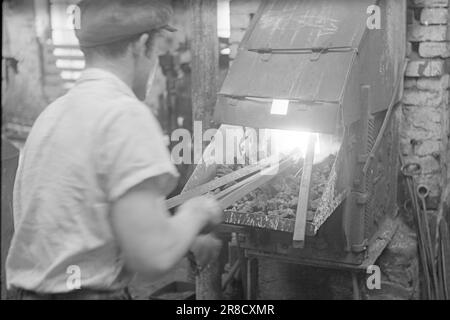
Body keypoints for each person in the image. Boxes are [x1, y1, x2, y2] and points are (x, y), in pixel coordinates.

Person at [6, 0, 223, 300]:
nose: (154, 67)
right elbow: (152, 258)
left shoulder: (51, 116)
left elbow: (75, 223)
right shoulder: (125, 114)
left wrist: (179, 237)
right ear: (142, 44)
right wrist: (197, 212)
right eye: (157, 52)